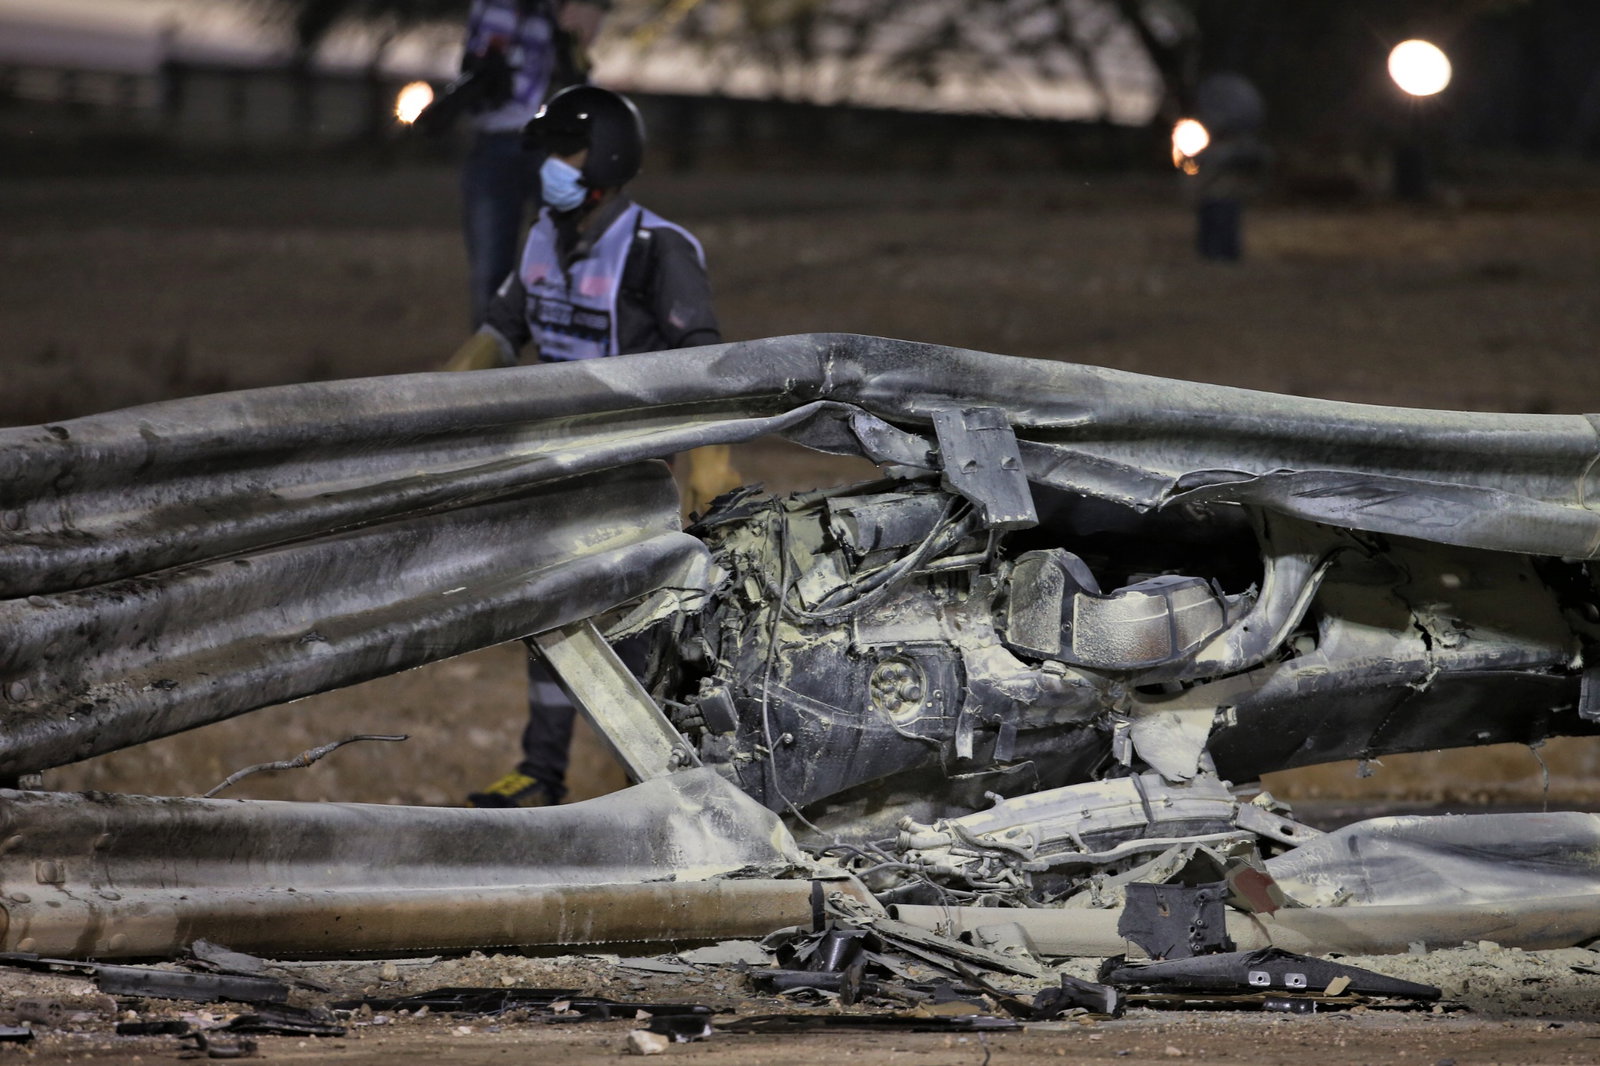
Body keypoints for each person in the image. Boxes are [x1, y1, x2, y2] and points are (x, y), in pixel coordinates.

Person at [446, 85, 729, 808]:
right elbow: (503, 330)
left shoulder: (655, 250)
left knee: (635, 634)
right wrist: (434, 404)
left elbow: (703, 360)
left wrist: (709, 464)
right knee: (549, 618)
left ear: (604, 157)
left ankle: (663, 786)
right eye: (547, 154)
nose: (551, 168)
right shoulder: (542, 237)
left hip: (636, 478)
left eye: (565, 153)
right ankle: (540, 772)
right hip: (559, 471)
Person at [447, 0, 608, 327]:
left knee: (569, 266)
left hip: (558, 143)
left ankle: (572, 351)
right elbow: (477, 58)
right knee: (491, 273)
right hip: (493, 140)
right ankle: (494, 355)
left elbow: (582, 35)